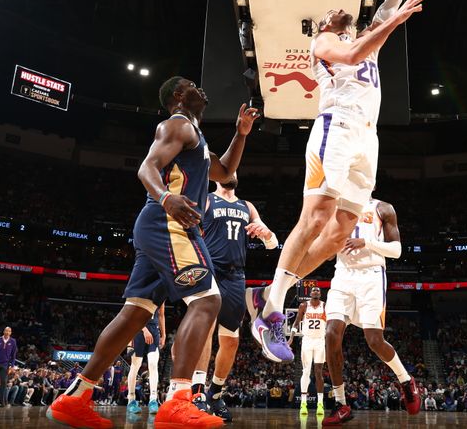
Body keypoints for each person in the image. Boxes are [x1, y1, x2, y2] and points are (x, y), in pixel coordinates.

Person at [247, 0, 425, 363]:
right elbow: (351, 54)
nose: (336, 12)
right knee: (317, 217)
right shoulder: (324, 41)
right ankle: (270, 313)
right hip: (336, 129)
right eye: (329, 13)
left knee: (341, 233)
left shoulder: (368, 40)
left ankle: (268, 293)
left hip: (368, 137)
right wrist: (393, 22)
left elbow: (388, 3)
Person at [47, 76, 259, 429]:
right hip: (169, 222)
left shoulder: (194, 136)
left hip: (158, 225)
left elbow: (225, 171)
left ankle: (74, 398)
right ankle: (178, 400)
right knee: (208, 301)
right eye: (191, 85)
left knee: (134, 314)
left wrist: (241, 133)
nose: (201, 88)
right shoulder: (177, 125)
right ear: (178, 96)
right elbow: (146, 167)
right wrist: (166, 198)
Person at [322, 197, 421, 426]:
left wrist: (365, 242)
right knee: (330, 334)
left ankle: (406, 380)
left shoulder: (383, 208)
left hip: (371, 276)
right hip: (343, 275)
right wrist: (329, 246)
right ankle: (341, 404)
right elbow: (327, 249)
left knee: (374, 341)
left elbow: (396, 250)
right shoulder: (337, 207)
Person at [189, 175, 278, 422]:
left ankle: (215, 394)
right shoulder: (206, 200)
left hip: (236, 276)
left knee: (231, 341)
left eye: (236, 170)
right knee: (205, 331)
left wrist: (267, 234)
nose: (233, 173)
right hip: (211, 270)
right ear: (215, 176)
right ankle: (197, 393)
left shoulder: (247, 206)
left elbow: (272, 244)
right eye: (227, 169)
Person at [288, 286, 326, 416]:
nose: (315, 291)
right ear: (310, 293)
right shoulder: (304, 306)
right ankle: (303, 404)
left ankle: (320, 404)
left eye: (318, 290)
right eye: (314, 290)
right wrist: (291, 337)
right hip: (307, 341)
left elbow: (331, 323)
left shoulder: (325, 306)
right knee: (305, 371)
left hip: (320, 340)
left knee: (319, 373)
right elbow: (296, 322)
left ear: (320, 294)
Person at [126, 304, 165, 415]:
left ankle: (153, 400)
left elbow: (161, 315)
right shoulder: (141, 288)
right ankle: (131, 400)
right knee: (135, 365)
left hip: (154, 330)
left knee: (153, 364)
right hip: (138, 329)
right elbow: (133, 314)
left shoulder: (161, 292)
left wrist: (164, 335)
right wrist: (144, 330)